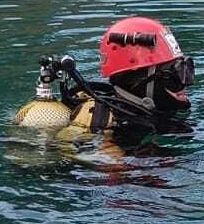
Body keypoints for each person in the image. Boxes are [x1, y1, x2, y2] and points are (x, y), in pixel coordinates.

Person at [14, 16, 194, 137]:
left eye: (188, 69)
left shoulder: (151, 110)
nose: (186, 84)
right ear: (138, 77)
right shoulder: (106, 125)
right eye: (177, 74)